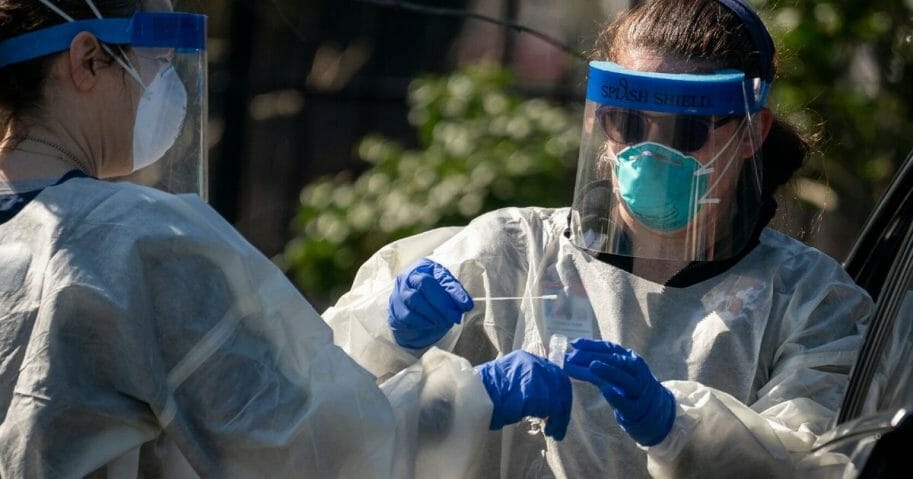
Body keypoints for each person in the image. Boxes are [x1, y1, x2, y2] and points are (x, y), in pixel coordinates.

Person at [0, 1, 573, 477]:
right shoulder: (140, 239)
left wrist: (380, 337)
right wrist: (470, 399)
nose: (167, 82)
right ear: (86, 60)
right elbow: (307, 453)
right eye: (155, 60)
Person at [323, 0, 875, 477]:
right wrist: (388, 340)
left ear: (753, 132)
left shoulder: (813, 304)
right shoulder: (507, 253)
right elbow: (315, 420)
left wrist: (679, 427)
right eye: (627, 124)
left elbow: (818, 464)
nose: (650, 151)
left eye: (687, 130)